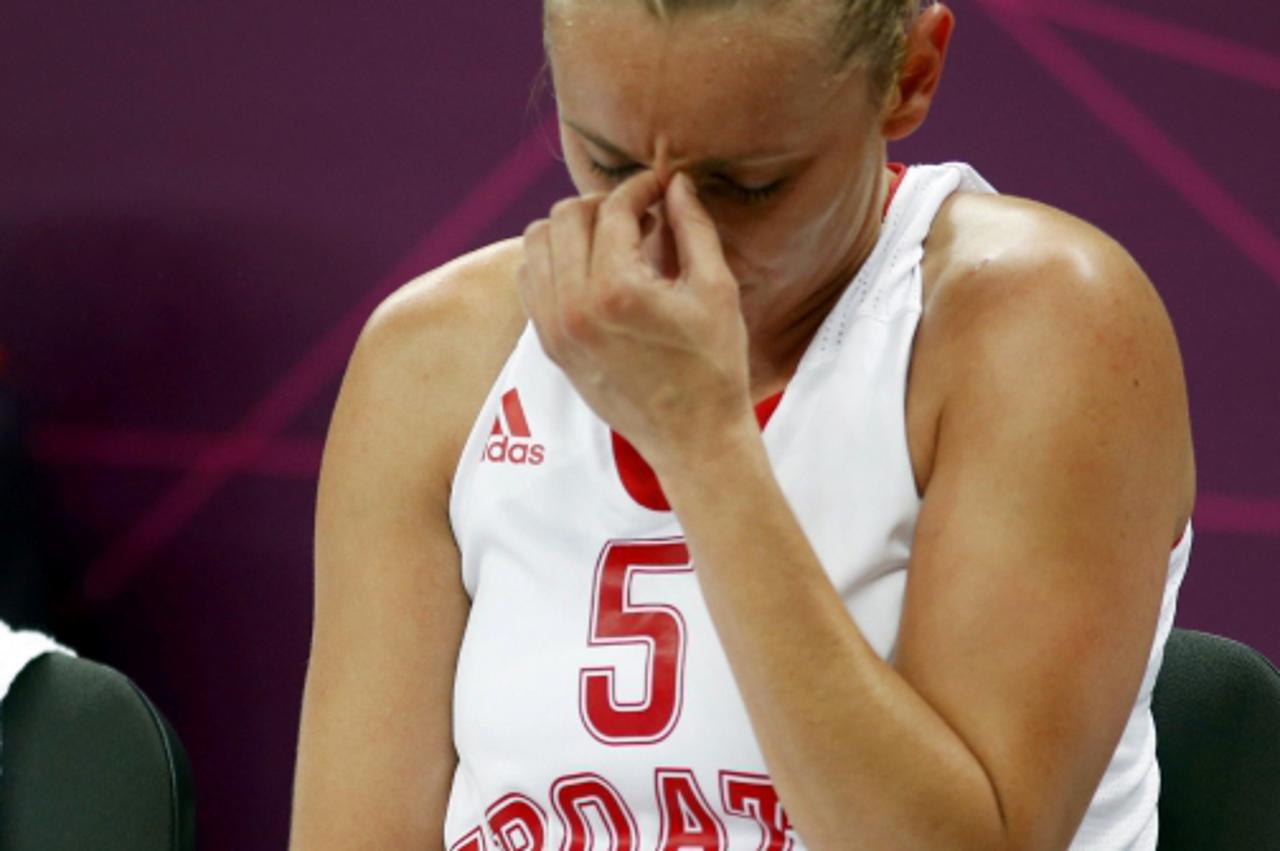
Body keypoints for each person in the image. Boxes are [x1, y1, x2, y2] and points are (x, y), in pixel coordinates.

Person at [289, 0, 1196, 848]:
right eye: (607, 164)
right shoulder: (437, 358)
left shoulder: (1046, 323)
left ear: (910, 77)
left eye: (747, 186)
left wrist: (703, 444)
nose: (663, 240)